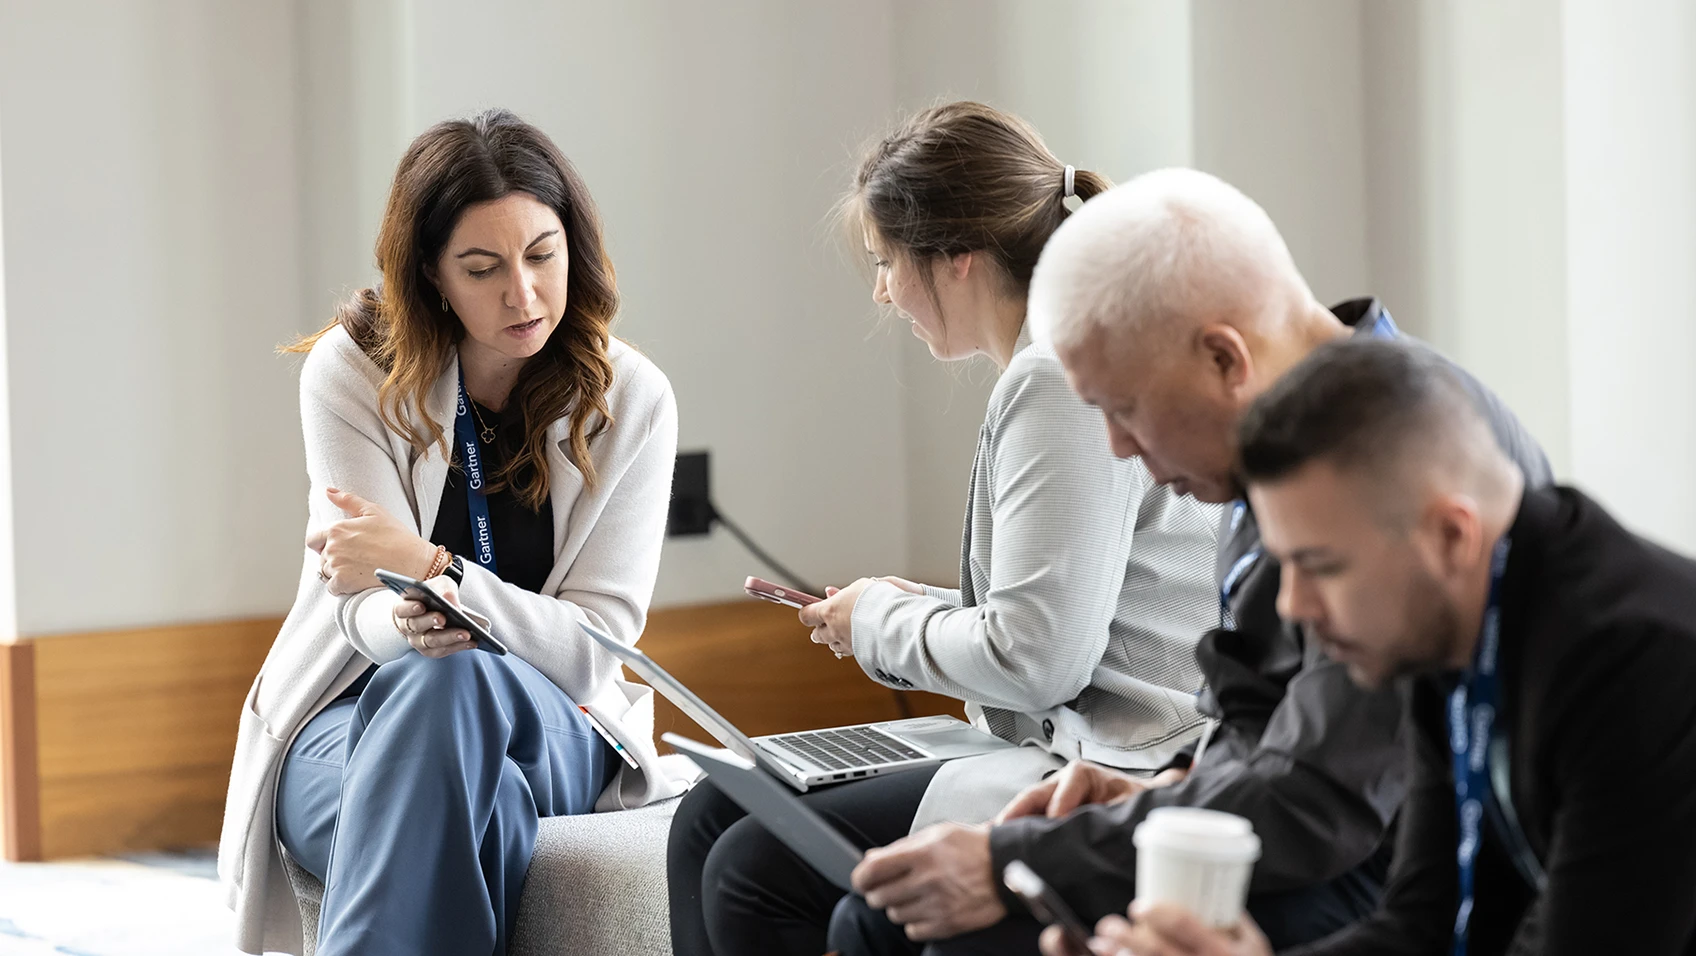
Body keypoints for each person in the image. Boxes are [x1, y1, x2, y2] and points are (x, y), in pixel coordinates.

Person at [832, 168, 1554, 955]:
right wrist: (1168, 790)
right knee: (888, 918)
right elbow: (1258, 724)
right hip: (1328, 827)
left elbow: (1316, 802)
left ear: (1223, 358)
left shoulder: (1399, 454)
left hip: (1398, 870)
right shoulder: (1282, 437)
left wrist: (1013, 856)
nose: (1118, 447)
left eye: (1126, 409)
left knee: (932, 930)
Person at [666, 102, 1224, 956]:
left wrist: (881, 628)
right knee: (715, 811)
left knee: (750, 866)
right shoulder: (1059, 356)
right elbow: (1068, 609)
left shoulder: (1054, 379)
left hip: (1121, 764)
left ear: (958, 258)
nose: (884, 291)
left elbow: (1036, 661)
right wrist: (901, 602)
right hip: (1081, 736)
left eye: (887, 263)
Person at [216, 109, 685, 956]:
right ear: (431, 275)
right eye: (483, 268)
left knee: (457, 684)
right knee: (479, 799)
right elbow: (352, 597)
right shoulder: (355, 368)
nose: (524, 293)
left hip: (555, 719)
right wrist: (404, 618)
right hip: (349, 709)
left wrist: (438, 573)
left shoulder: (634, 400)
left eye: (543, 255)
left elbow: (595, 649)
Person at [1074, 338, 1696, 956]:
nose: (1294, 606)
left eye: (1320, 565)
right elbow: (1422, 926)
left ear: (1451, 536)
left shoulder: (1640, 665)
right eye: (1284, 564)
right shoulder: (1449, 622)